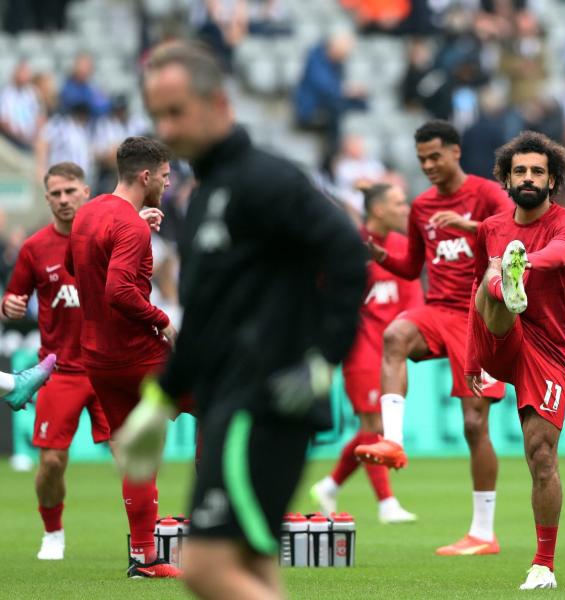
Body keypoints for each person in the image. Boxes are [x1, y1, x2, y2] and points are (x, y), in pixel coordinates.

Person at [117, 41, 366, 599]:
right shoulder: (206, 198)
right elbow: (205, 318)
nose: (168, 127)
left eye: (177, 111)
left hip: (266, 402)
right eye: (158, 115)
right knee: (252, 570)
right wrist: (161, 400)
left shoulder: (267, 180)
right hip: (232, 399)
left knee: (205, 568)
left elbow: (349, 256)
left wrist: (324, 360)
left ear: (219, 103)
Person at [355, 120, 513, 556]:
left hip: (480, 313)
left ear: (456, 153)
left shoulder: (485, 194)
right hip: (439, 308)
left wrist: (465, 225)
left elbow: (510, 237)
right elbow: (410, 266)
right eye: (421, 158)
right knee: (396, 334)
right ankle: (394, 440)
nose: (427, 165)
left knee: (474, 424)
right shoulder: (422, 206)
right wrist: (381, 253)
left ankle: (484, 532)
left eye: (434, 156)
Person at [466, 130, 565, 589]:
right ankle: (505, 285)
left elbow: (561, 255)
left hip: (548, 349)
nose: (529, 178)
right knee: (490, 281)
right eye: (520, 171)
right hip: (502, 333)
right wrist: (472, 356)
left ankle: (543, 565)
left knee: (540, 455)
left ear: (552, 180)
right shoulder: (492, 228)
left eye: (538, 171)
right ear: (506, 178)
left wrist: (527, 262)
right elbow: (471, 297)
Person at [65, 136, 179, 578]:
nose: (168, 185)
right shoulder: (128, 225)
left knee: (138, 456)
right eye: (166, 177)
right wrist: (163, 319)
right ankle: (217, 530)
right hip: (140, 355)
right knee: (217, 405)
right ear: (146, 176)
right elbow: (119, 290)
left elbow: (80, 271)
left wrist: (134, 225)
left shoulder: (88, 213)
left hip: (98, 358)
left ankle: (144, 558)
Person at [2, 163, 99, 560]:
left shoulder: (107, 240)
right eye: (56, 193)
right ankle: (53, 532)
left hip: (109, 366)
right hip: (58, 370)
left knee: (133, 457)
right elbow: (14, 301)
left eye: (70, 191)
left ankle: (144, 548)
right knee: (53, 463)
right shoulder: (34, 248)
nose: (63, 199)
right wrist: (11, 305)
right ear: (47, 198)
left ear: (86, 192)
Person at [310, 183, 421, 524]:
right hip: (360, 348)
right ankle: (386, 503)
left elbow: (414, 299)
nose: (406, 209)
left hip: (393, 349)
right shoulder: (349, 248)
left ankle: (329, 485)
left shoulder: (403, 247)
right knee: (374, 425)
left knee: (371, 427)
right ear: (377, 210)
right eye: (399, 203)